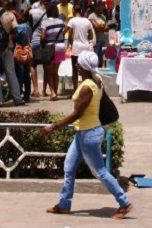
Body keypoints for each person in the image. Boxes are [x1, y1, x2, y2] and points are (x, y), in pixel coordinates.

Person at [43, 51, 133, 219]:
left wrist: (54, 126)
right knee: (69, 167)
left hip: (89, 134)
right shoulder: (95, 81)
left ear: (83, 67)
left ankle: (124, 202)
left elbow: (77, 113)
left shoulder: (87, 87)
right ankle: (64, 204)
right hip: (82, 133)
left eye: (78, 63)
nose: (76, 65)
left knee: (100, 172)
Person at [40, 2, 66, 100]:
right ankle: (56, 92)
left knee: (49, 71)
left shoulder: (45, 22)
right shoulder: (61, 21)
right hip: (61, 47)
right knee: (56, 71)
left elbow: (42, 36)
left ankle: (52, 93)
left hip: (50, 47)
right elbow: (62, 33)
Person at [64, 4, 95, 72]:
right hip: (85, 47)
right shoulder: (87, 21)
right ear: (81, 11)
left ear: (73, 11)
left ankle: (75, 83)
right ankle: (84, 82)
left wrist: (71, 44)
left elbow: (68, 35)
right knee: (85, 68)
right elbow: (91, 35)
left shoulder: (72, 21)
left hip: (76, 47)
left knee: (74, 69)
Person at [28, 0, 48, 98]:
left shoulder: (33, 12)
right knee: (46, 66)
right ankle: (44, 90)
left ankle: (36, 90)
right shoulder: (50, 13)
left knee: (33, 64)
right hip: (46, 43)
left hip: (34, 40)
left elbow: (25, 13)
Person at [13, 3, 33, 103]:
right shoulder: (29, 26)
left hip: (20, 52)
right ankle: (27, 94)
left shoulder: (19, 27)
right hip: (27, 51)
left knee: (18, 74)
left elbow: (15, 38)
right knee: (26, 73)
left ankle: (19, 92)